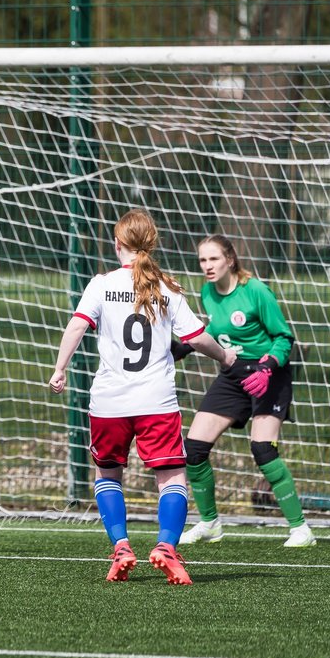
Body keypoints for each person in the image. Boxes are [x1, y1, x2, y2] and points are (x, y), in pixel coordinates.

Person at [49, 209, 231, 585]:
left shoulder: (101, 284)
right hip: (156, 402)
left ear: (118, 245)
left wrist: (60, 368)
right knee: (172, 478)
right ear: (152, 244)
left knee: (107, 474)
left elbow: (77, 326)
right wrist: (225, 356)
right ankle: (165, 546)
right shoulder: (168, 288)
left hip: (109, 403)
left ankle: (121, 547)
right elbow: (195, 339)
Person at [175, 234, 316, 548]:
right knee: (194, 449)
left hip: (269, 375)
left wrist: (267, 367)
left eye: (214, 259)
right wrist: (186, 346)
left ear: (230, 259)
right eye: (202, 260)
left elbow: (284, 337)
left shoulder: (256, 291)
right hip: (233, 375)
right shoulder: (208, 292)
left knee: (262, 449)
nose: (208, 266)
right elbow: (217, 328)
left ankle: (301, 529)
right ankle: (210, 524)